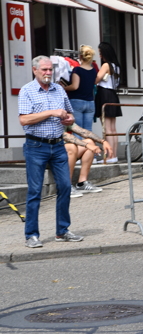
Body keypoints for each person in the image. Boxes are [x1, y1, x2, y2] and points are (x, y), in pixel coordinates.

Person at [19, 56, 81, 248]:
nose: (47, 73)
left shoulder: (59, 89)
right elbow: (24, 120)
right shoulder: (27, 90)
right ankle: (31, 235)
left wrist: (69, 119)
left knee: (65, 187)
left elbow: (70, 114)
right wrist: (52, 112)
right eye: (44, 70)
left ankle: (62, 231)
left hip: (58, 145)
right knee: (35, 191)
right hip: (36, 147)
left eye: (50, 70)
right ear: (34, 70)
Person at [62, 123, 112, 197]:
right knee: (71, 146)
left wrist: (103, 141)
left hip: (62, 153)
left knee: (90, 142)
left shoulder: (64, 117)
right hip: (49, 155)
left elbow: (83, 131)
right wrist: (86, 145)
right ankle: (66, 186)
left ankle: (82, 183)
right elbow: (64, 135)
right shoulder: (50, 118)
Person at [95, 42, 123, 163]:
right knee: (113, 129)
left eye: (100, 53)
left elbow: (96, 79)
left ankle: (109, 156)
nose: (100, 55)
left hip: (104, 94)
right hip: (113, 95)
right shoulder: (116, 66)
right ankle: (114, 155)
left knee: (106, 129)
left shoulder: (106, 65)